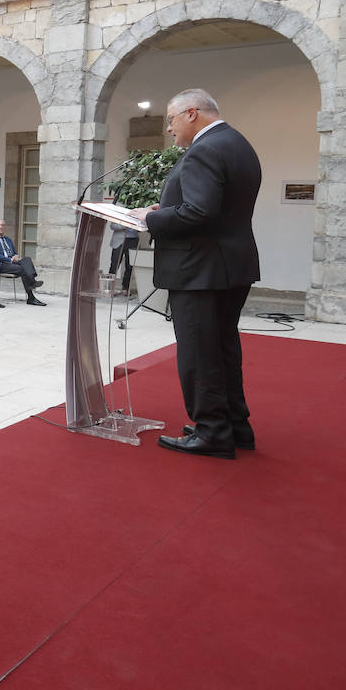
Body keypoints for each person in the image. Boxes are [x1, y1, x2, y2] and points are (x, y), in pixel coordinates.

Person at [131, 89, 261, 460]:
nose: (169, 129)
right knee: (222, 349)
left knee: (200, 353)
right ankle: (234, 426)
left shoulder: (203, 149)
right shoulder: (236, 143)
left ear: (191, 114)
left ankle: (212, 432)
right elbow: (214, 207)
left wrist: (150, 217)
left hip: (201, 271)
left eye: (170, 120)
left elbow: (199, 213)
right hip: (229, 266)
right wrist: (167, 207)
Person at [0, 219, 45, 306]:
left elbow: (13, 252)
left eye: (3, 225)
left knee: (27, 259)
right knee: (22, 269)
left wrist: (16, 256)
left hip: (11, 262)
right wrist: (10, 260)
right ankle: (31, 295)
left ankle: (32, 281)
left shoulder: (8, 239)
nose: (1, 227)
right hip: (0, 264)